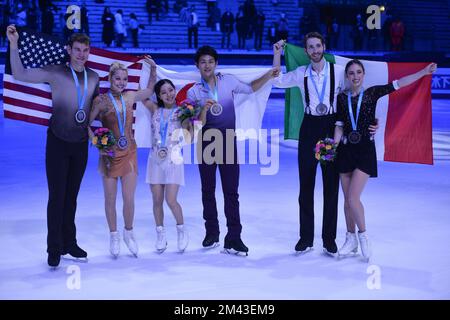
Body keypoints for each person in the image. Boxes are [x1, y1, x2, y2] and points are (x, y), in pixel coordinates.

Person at [271, 32, 379, 256]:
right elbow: (276, 80)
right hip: (309, 129)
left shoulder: (338, 72)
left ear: (324, 46)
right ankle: (305, 238)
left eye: (318, 46)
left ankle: (329, 239)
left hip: (330, 129)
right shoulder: (301, 73)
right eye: (310, 47)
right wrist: (277, 55)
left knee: (331, 186)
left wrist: (372, 122)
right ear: (306, 51)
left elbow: (356, 93)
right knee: (306, 186)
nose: (315, 50)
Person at [7, 26, 100, 267]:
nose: (81, 54)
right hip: (58, 142)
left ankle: (70, 242)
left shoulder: (93, 78)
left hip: (80, 146)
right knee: (57, 197)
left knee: (72, 197)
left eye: (85, 50)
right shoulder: (56, 72)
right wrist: (14, 44)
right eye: (77, 49)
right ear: (69, 50)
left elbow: (90, 111)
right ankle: (54, 248)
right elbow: (19, 74)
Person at [333, 59, 437, 261]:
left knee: (353, 198)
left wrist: (423, 72)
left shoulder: (372, 93)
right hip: (345, 150)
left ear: (363, 75)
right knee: (347, 201)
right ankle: (350, 238)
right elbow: (339, 125)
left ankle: (363, 237)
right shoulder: (340, 98)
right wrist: (332, 146)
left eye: (358, 72)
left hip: (365, 151)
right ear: (347, 76)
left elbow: (399, 83)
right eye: (351, 73)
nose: (355, 76)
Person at [187, 45, 278, 256]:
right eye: (203, 62)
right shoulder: (193, 91)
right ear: (197, 65)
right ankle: (212, 233)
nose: (207, 65)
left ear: (216, 63)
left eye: (210, 61)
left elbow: (251, 88)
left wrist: (268, 74)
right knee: (207, 191)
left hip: (228, 141)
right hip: (206, 142)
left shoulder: (228, 81)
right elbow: (192, 125)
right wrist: (202, 110)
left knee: (231, 192)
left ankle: (234, 237)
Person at [88, 57, 155, 258]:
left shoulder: (130, 96)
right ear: (110, 78)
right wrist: (97, 144)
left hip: (129, 153)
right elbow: (85, 123)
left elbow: (150, 91)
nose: (121, 82)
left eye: (124, 79)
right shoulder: (100, 101)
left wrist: (152, 69)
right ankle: (114, 235)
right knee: (110, 198)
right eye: (117, 79)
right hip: (109, 154)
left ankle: (128, 232)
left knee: (128, 197)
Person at [143, 78, 200, 253]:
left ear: (175, 90)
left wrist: (194, 120)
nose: (168, 94)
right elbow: (143, 96)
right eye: (163, 92)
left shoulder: (182, 112)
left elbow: (190, 137)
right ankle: (160, 234)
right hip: (155, 160)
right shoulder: (154, 108)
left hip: (174, 159)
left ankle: (181, 231)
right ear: (159, 96)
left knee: (171, 200)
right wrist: (152, 71)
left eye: (170, 90)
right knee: (157, 201)